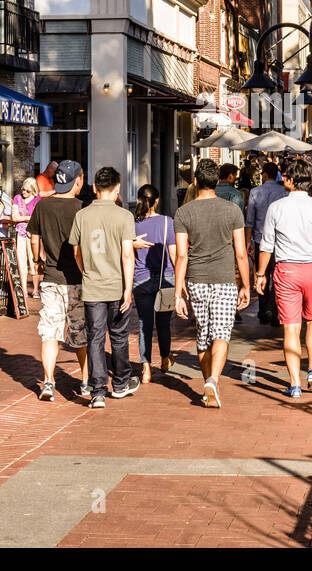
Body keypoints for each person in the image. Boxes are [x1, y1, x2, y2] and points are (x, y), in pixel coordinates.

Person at [256, 157, 312, 398]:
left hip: (286, 271)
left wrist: (261, 274)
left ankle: (295, 383)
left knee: (291, 329)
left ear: (291, 180)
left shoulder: (277, 207)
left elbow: (267, 246)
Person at [174, 158, 250, 409]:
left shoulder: (184, 212)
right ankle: (213, 381)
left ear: (195, 182)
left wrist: (178, 291)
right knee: (221, 334)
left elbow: (182, 255)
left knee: (203, 335)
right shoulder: (232, 211)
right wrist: (246, 285)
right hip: (224, 280)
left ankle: (208, 382)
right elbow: (241, 253)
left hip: (196, 279)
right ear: (217, 182)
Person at [70, 167, 140, 408]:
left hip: (93, 286)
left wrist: (86, 272)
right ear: (117, 188)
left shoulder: (82, 215)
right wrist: (128, 289)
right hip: (117, 285)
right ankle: (120, 383)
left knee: (95, 338)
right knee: (119, 336)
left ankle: (98, 391)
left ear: (94, 188)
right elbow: (127, 256)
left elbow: (76, 252)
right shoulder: (124, 217)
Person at [29, 160, 89, 402]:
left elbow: (34, 238)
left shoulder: (43, 207)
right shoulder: (83, 208)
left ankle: (49, 382)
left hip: (51, 278)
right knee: (80, 332)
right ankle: (85, 382)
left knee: (50, 333)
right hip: (78, 279)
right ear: (78, 181)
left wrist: (38, 259)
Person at [130, 184, 177, 383]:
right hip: (165, 278)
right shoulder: (168, 222)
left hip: (140, 279)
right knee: (164, 323)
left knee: (144, 324)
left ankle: (146, 368)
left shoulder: (133, 223)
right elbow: (174, 254)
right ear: (157, 201)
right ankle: (165, 358)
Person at [245, 161, 288, 325]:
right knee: (278, 276)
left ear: (264, 175)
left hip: (260, 239)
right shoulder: (284, 191)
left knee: (262, 275)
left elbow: (250, 220)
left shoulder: (255, 192)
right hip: (280, 241)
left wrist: (248, 241)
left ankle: (263, 311)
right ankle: (275, 311)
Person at [11, 176, 39, 298]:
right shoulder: (17, 198)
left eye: (27, 190)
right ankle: (23, 290)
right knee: (21, 262)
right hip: (21, 234)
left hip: (33, 233)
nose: (24, 192)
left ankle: (36, 289)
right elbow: (15, 218)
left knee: (34, 261)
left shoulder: (38, 200)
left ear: (33, 190)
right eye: (23, 189)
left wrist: (23, 219)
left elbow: (38, 218)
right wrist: (28, 218)